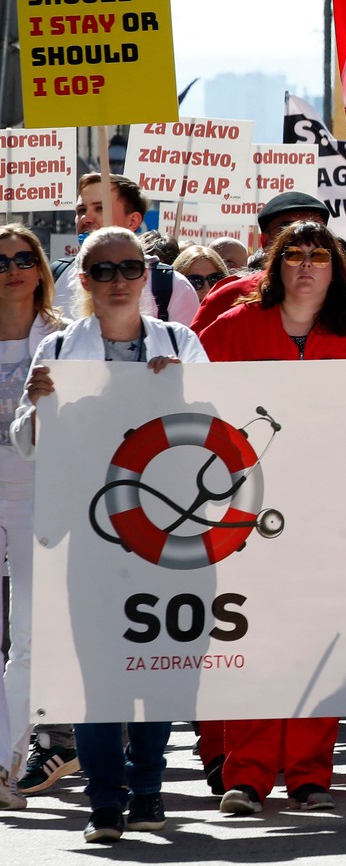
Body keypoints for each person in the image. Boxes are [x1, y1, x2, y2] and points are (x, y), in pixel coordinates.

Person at [11, 227, 206, 843]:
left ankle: (148, 791)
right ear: (85, 282)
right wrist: (39, 406)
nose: (119, 280)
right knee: (96, 673)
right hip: (88, 536)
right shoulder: (63, 348)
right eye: (103, 270)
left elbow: (218, 427)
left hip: (167, 531)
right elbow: (25, 442)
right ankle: (104, 802)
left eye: (129, 267)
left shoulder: (182, 341)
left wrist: (186, 386)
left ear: (145, 275)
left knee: (160, 666)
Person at [201, 221, 346, 814]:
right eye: (294, 255)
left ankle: (310, 772)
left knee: (317, 637)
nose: (306, 265)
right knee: (256, 639)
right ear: (276, 265)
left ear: (337, 269)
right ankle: (246, 774)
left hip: (334, 508)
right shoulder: (233, 328)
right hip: (246, 508)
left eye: (319, 256)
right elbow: (196, 406)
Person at [0, 226, 64, 810]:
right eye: (2, 261)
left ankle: (5, 762)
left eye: (26, 257)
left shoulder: (67, 340)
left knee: (27, 639)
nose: (14, 268)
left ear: (42, 267)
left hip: (40, 495)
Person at [191, 191, 346, 334]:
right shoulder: (227, 298)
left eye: (314, 229)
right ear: (264, 242)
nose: (301, 237)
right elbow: (194, 363)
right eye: (286, 229)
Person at [50, 174, 199, 326]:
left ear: (133, 221)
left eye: (100, 208)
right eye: (81, 210)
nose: (85, 218)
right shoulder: (54, 279)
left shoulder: (174, 287)